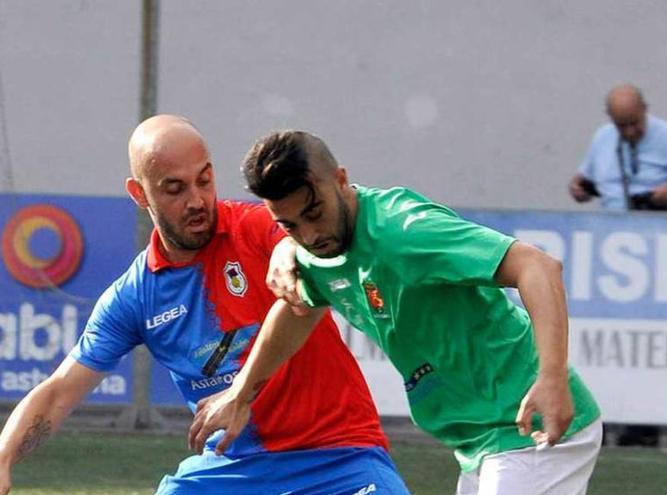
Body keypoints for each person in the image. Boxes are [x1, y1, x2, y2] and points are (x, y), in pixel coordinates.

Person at [0, 116, 410, 495]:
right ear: (140, 194)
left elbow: (310, 245)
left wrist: (294, 249)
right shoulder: (135, 295)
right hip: (233, 470)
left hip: (340, 456)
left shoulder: (260, 227)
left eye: (204, 180)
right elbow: (60, 391)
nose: (196, 200)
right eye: (174, 188)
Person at [190, 130, 603, 495]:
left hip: (531, 427)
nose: (310, 235)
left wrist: (551, 377)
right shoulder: (315, 249)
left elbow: (537, 266)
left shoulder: (404, 231)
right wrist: (241, 394)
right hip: (482, 441)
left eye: (314, 214)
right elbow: (297, 310)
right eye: (289, 226)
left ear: (340, 180)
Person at [569, 84, 667, 212]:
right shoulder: (602, 136)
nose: (630, 132)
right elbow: (582, 177)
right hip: (609, 229)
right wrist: (577, 189)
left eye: (635, 123)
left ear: (644, 109)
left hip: (655, 229)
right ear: (610, 116)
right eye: (621, 126)